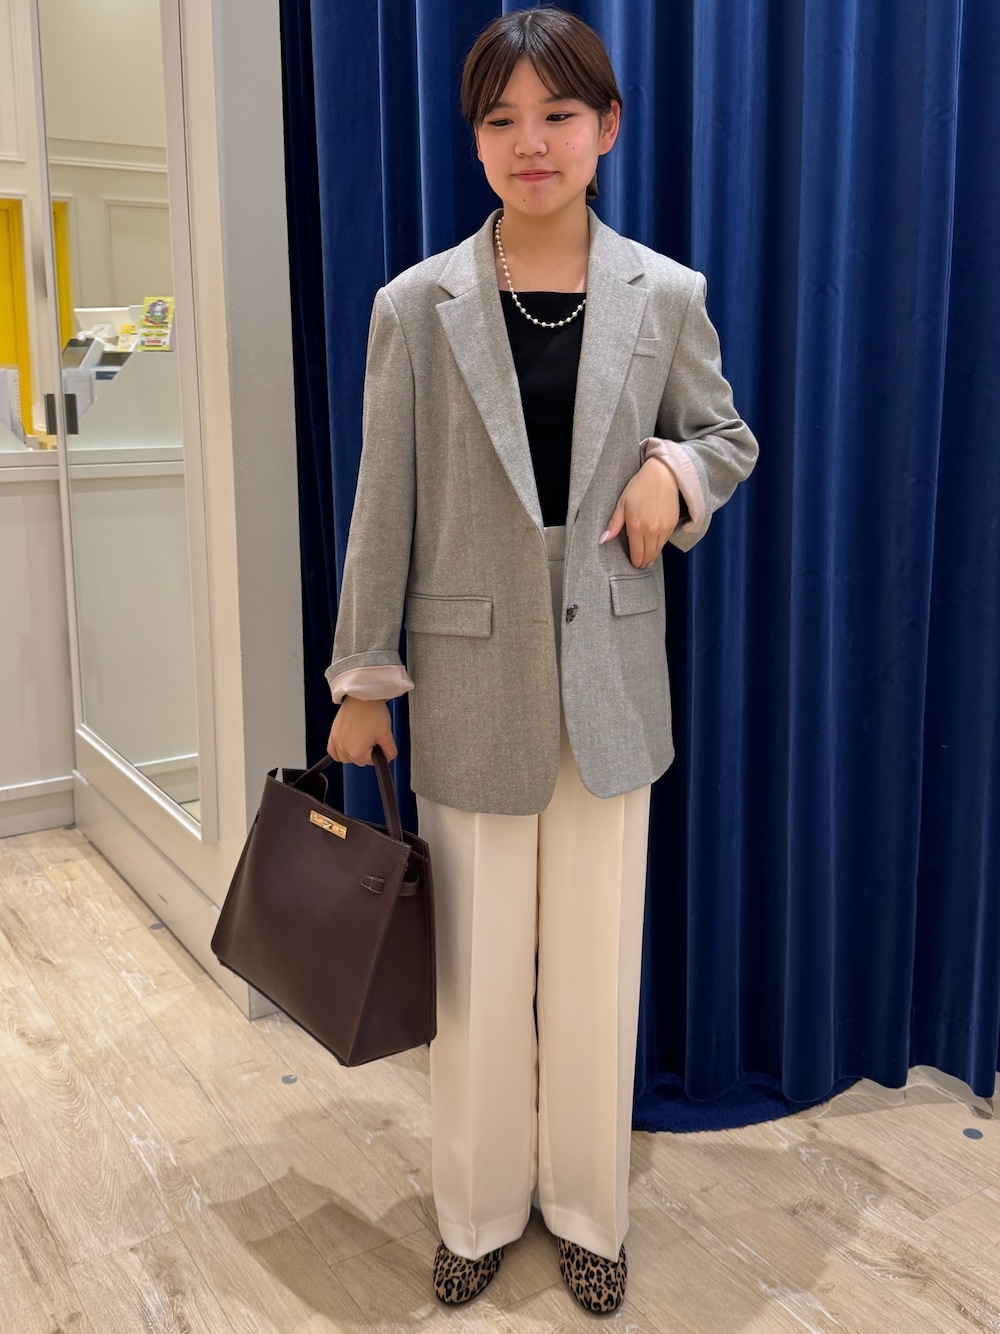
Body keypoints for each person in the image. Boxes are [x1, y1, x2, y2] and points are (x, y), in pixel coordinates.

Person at [326, 7, 757, 1314]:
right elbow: (383, 504)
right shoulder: (418, 306)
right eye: (502, 119)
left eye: (558, 115)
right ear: (475, 140)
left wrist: (672, 476)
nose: (532, 142)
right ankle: (474, 1207)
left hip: (612, 688)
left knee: (593, 970)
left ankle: (585, 1211)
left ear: (606, 128)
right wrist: (361, 681)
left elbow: (727, 438)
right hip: (468, 687)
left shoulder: (665, 295)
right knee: (472, 973)